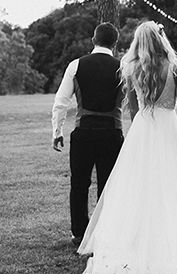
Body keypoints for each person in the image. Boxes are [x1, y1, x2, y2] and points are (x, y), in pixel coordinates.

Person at [78, 21, 177, 274]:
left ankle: (137, 241)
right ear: (161, 39)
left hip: (142, 131)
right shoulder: (176, 68)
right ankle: (164, 243)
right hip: (168, 131)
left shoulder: (133, 68)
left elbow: (134, 112)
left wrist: (141, 135)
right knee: (169, 188)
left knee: (139, 188)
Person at [52, 22, 124, 247]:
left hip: (84, 132)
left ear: (94, 40)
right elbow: (131, 103)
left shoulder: (76, 65)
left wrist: (57, 131)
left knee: (79, 184)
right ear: (115, 43)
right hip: (112, 132)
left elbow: (61, 102)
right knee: (108, 186)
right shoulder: (123, 68)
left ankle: (79, 233)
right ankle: (105, 231)